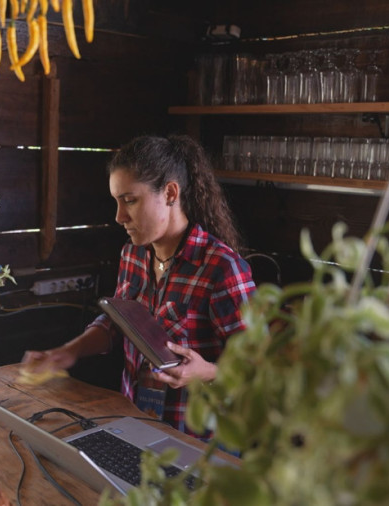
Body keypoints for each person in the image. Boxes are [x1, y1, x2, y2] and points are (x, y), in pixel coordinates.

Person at [22, 134, 256, 437]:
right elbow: (118, 323)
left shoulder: (222, 268)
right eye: (117, 202)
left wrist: (207, 372)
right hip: (135, 424)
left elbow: (260, 368)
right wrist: (67, 352)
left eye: (130, 200)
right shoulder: (132, 255)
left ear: (170, 193)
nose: (119, 216)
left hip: (197, 443)